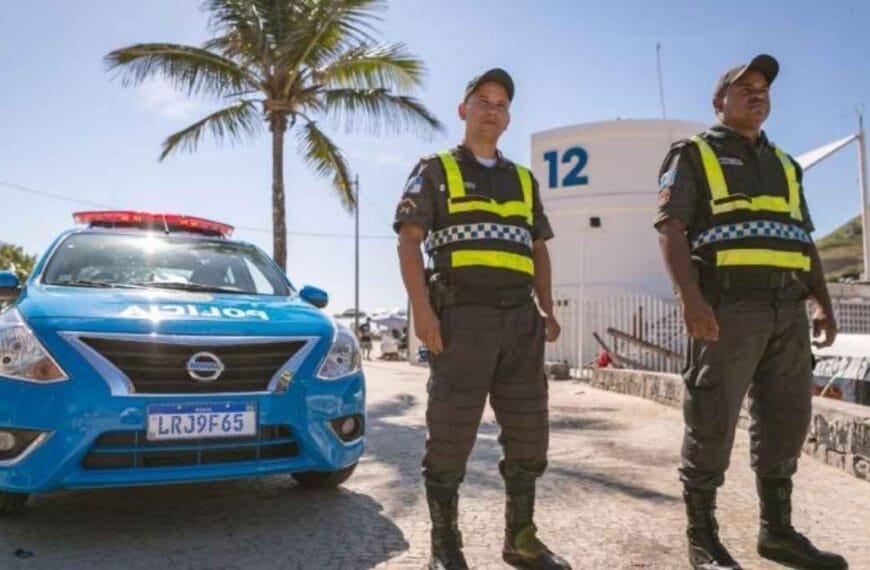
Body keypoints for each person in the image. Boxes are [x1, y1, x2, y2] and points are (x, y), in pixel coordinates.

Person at [654, 54, 847, 570]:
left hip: (788, 311)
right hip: (728, 307)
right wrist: (691, 302)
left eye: (764, 88)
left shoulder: (786, 164)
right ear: (719, 102)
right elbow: (671, 229)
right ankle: (703, 539)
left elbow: (803, 239)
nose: (758, 93)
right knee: (712, 417)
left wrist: (822, 305)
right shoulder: (693, 154)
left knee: (786, 420)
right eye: (745, 88)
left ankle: (777, 533)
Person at [394, 68, 570, 570]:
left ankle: (521, 540)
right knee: (450, 436)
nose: (492, 109)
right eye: (483, 100)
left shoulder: (523, 179)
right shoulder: (435, 170)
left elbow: (537, 248)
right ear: (463, 109)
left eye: (501, 103)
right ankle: (445, 547)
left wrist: (546, 306)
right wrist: (423, 312)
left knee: (529, 433)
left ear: (508, 117)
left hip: (520, 321)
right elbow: (409, 242)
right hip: (461, 317)